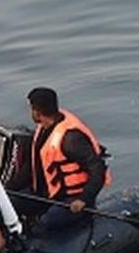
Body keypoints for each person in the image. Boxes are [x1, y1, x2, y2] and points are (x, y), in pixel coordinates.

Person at [20, 87, 112, 233]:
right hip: (49, 194)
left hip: (73, 200)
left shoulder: (70, 139)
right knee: (13, 203)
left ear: (36, 111)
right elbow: (35, 165)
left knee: (45, 223)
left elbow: (97, 167)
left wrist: (83, 199)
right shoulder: (44, 128)